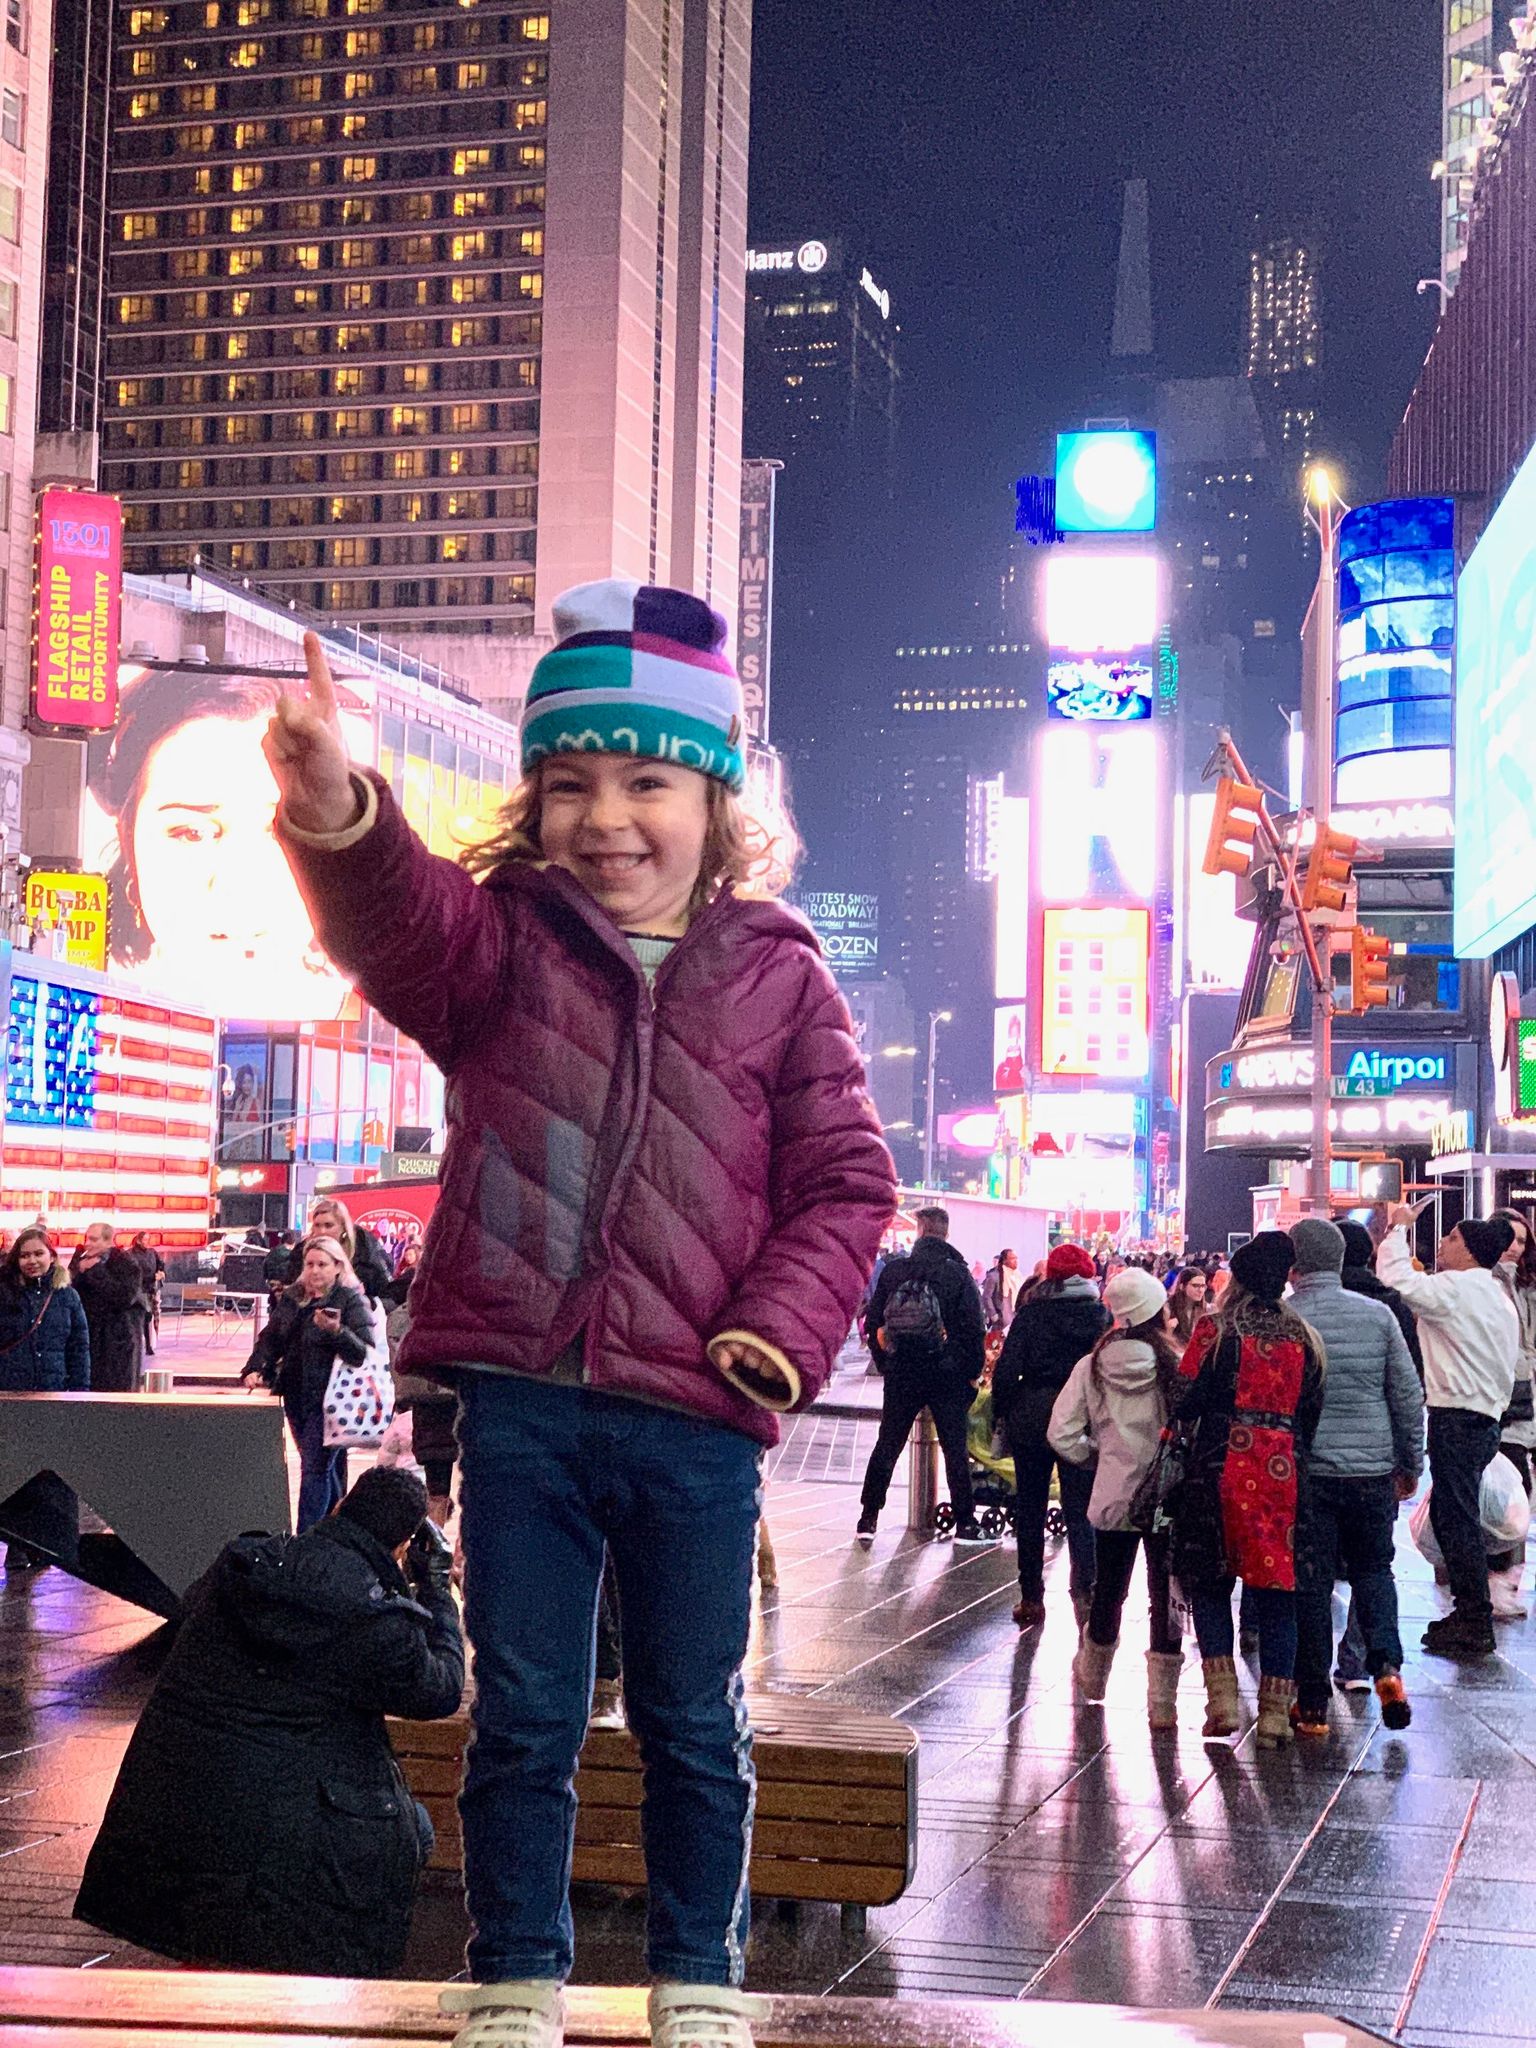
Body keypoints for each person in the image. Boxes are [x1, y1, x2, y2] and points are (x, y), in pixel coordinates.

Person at [268, 598, 893, 2048]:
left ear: (718, 802)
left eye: (647, 782)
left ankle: (699, 1978)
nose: (606, 818)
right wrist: (336, 809)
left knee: (691, 1721)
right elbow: (403, 922)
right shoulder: (504, 951)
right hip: (530, 1400)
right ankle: (517, 1973)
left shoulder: (782, 976)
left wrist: (775, 1331)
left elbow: (848, 1181)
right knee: (527, 1717)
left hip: (698, 1414)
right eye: (571, 783)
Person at [74, 1467, 463, 1977]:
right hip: (290, 1846)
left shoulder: (240, 1565)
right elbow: (442, 1688)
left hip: (172, 1813)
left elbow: (191, 1608)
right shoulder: (375, 1620)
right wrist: (434, 1588)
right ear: (403, 1546)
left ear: (338, 1508)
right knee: (414, 1831)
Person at [86, 664, 350, 1020]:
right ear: (129, 842)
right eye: (193, 833)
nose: (237, 886)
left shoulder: (373, 1020)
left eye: (280, 830)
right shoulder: (89, 1020)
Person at [1169, 1231, 1325, 1748]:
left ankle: (1223, 1706)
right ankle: (1276, 1717)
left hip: (1219, 1468)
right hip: (1284, 1472)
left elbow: (1183, 1401)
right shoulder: (1305, 1337)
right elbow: (1311, 1413)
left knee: (1211, 1584)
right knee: (1278, 1593)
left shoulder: (1215, 1330)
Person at [1285, 1219, 1423, 1737]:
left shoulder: (1288, 1318)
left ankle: (1314, 1702)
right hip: (1372, 1470)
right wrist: (1410, 1464)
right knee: (1374, 1570)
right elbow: (1407, 1397)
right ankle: (1386, 1667)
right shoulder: (1378, 1315)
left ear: (1296, 1263)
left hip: (1311, 1472)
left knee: (1313, 1584)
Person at [1047, 1267, 1186, 1727]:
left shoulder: (1091, 1367)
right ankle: (1162, 1705)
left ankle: (1094, 1678)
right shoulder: (1175, 1366)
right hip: (1168, 1498)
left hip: (1112, 1497)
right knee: (1165, 1594)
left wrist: (1097, 1456)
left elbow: (1062, 1433)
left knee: (1109, 1589)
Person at [1379, 1208, 1519, 1659]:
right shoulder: (1498, 1295)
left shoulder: (1457, 1289)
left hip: (1457, 1419)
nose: (1442, 1242)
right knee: (1455, 1514)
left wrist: (1398, 1226)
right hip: (1483, 1418)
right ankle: (1470, 1611)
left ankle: (1474, 1617)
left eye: (1452, 1237)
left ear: (1471, 1249)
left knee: (1455, 1519)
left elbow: (1396, 1277)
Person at [993, 1243, 1110, 1631]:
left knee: (1030, 1507)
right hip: (1081, 1416)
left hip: (1033, 1415)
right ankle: (1086, 1592)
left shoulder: (1031, 1313)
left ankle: (1030, 1596)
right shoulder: (1099, 1315)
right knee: (1081, 1509)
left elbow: (1008, 1370)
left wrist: (1003, 1412)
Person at [860, 1206, 988, 1544]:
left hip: (902, 1371)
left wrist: (887, 1362)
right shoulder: (957, 1274)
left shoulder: (895, 1271)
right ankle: (965, 1522)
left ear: (919, 1230)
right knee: (954, 1449)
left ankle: (868, 1518)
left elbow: (873, 1324)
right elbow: (975, 1330)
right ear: (945, 1233)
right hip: (946, 1375)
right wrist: (970, 1375)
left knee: (888, 1443)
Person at [243, 1236, 377, 1532]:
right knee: (318, 1467)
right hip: (296, 1395)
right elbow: (272, 1337)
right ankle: (336, 1530)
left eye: (322, 1264)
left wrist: (336, 1331)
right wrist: (255, 1366)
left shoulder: (349, 1299)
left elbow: (362, 1352)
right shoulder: (295, 1297)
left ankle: (306, 1537)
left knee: (314, 1469)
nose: (315, 1271)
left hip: (331, 1399)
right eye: (309, 1264)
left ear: (338, 1267)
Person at [0, 1228, 90, 1572]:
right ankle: (18, 1544)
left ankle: (56, 1545)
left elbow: (78, 1347)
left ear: (52, 1256)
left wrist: (80, 1394)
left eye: (38, 1254)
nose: (32, 1261)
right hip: (13, 1399)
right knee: (17, 1475)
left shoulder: (67, 1296)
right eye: (25, 1255)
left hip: (55, 1396)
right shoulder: (5, 1292)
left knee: (55, 1475)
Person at [1488, 1206, 1536, 1619]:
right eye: (1509, 1240)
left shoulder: (1527, 1287)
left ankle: (1505, 1579)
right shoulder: (1488, 1284)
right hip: (1503, 1402)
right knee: (1509, 1490)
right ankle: (1496, 1579)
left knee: (1519, 1494)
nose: (1515, 1249)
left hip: (1527, 1400)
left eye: (1522, 1241)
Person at [70, 1223, 148, 1394]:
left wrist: (95, 1270)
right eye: (86, 1239)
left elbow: (123, 1296)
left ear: (108, 1241)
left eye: (93, 1239)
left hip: (116, 1342)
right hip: (89, 1338)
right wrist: (78, 1271)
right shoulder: (80, 1262)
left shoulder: (125, 1263)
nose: (87, 1243)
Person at [307, 1195, 392, 1307]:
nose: (322, 1231)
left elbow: (387, 1296)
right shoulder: (304, 1253)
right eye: (317, 1225)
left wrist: (365, 1300)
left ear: (343, 1227)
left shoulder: (366, 1254)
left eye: (329, 1226)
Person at [128, 1232, 166, 1357]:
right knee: (144, 1317)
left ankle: (151, 1343)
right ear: (139, 1240)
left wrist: (161, 1273)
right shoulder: (131, 1254)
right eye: (145, 1239)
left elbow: (161, 1265)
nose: (147, 1242)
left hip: (153, 1289)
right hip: (140, 1290)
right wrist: (151, 1276)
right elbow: (135, 1273)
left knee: (153, 1317)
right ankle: (146, 1345)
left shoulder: (152, 1253)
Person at [1165, 1266, 1209, 1348]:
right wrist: (1169, 1330)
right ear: (1182, 1286)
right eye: (1195, 1285)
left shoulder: (1206, 1309)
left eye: (1203, 1286)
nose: (1200, 1290)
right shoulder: (1168, 1308)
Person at [982, 1248, 1021, 1335]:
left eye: (1016, 1258)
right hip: (1001, 1321)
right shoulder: (994, 1276)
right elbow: (986, 1297)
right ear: (1004, 1260)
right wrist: (994, 1315)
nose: (1016, 1261)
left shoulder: (1018, 1276)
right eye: (1012, 1258)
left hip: (1015, 1318)